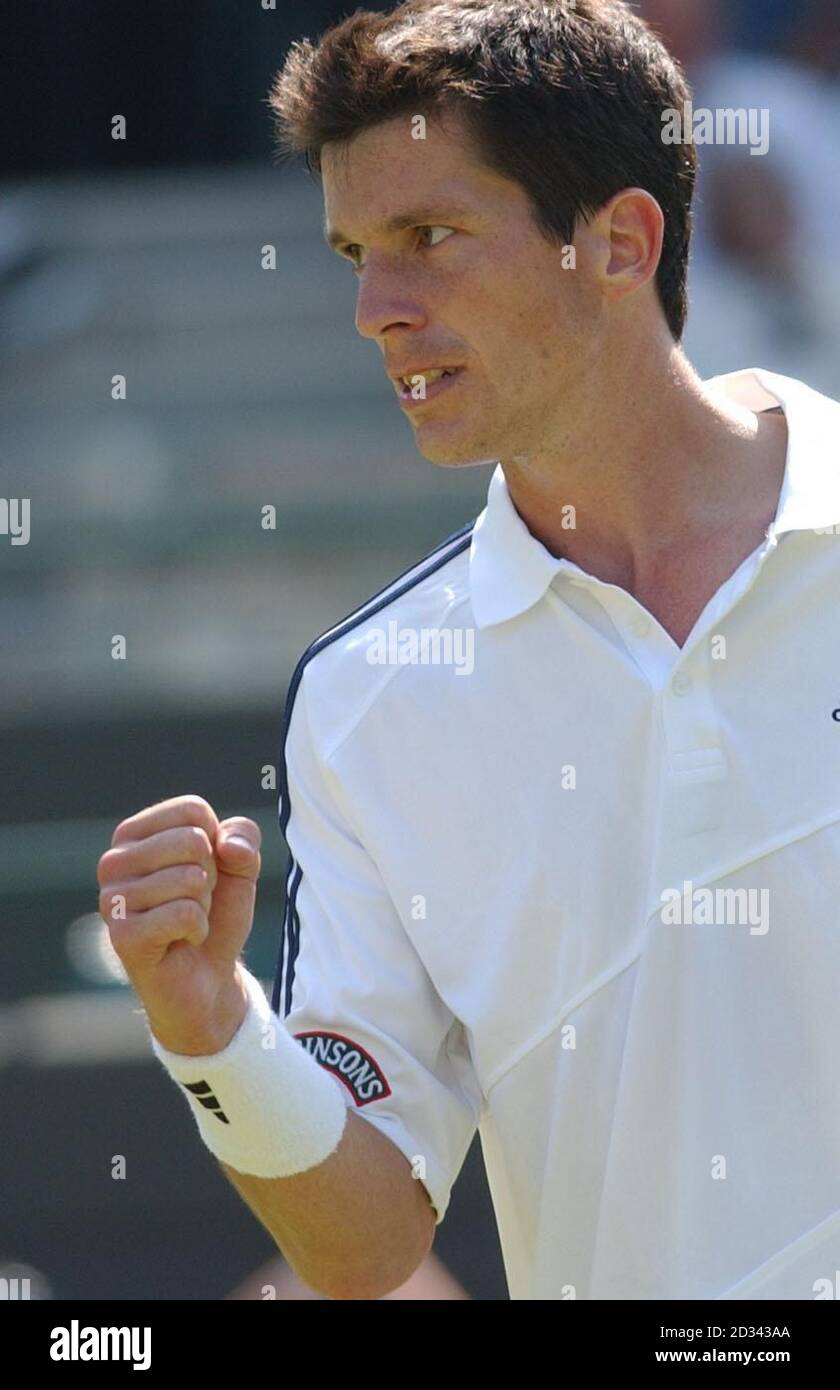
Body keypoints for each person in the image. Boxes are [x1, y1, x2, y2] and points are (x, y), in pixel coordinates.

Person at [96, 0, 840, 1300]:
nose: (377, 307)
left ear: (617, 242)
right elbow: (366, 1244)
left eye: (429, 237)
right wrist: (215, 1035)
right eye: (354, 255)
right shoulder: (363, 705)